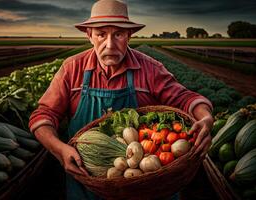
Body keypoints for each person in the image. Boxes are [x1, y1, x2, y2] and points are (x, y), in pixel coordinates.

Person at [29, 0, 214, 199]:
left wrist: (205, 117)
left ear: (129, 36)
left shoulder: (150, 69)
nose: (110, 44)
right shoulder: (72, 69)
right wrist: (60, 150)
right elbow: (43, 116)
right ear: (89, 35)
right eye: (101, 34)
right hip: (88, 182)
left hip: (144, 182)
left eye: (118, 34)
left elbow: (185, 98)